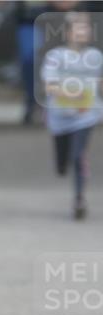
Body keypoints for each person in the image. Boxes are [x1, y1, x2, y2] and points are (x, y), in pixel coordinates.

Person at [41, 11, 101, 220]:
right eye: (78, 27)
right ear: (67, 32)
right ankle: (62, 165)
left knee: (78, 156)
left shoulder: (95, 56)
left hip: (85, 116)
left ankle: (79, 199)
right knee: (62, 164)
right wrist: (71, 93)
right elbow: (50, 86)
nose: (83, 31)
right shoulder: (55, 57)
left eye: (86, 27)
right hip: (60, 117)